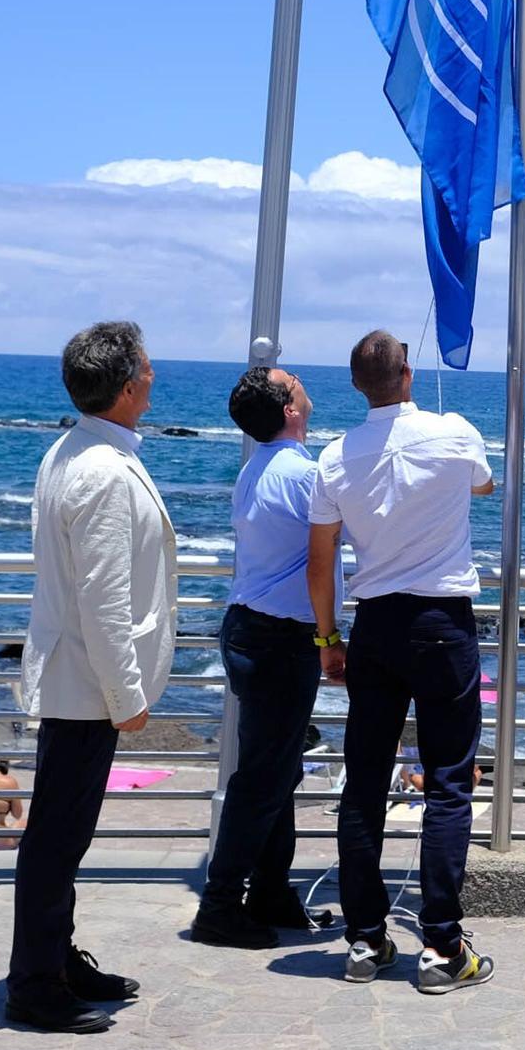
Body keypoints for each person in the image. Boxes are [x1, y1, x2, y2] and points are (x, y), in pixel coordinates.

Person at [308, 329, 496, 995]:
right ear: (408, 374)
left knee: (363, 785)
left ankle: (364, 939)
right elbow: (485, 484)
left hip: (376, 627)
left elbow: (322, 561)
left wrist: (328, 641)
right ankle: (443, 947)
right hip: (443, 623)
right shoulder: (454, 433)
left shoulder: (333, 458)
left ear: (357, 384)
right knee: (448, 780)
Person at [5, 321, 177, 1034]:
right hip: (85, 685)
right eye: (148, 365)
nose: (156, 375)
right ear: (129, 383)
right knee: (56, 839)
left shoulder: (73, 450)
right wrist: (127, 696)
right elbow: (103, 600)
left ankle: (55, 958)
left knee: (61, 836)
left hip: (73, 676)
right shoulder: (104, 471)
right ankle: (36, 984)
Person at [189, 364, 343, 949]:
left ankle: (271, 891)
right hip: (280, 638)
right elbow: (323, 561)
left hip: (250, 628)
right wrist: (330, 640)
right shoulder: (304, 476)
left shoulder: (256, 467)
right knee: (262, 776)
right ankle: (220, 904)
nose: (301, 378)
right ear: (289, 409)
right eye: (292, 379)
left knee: (277, 768)